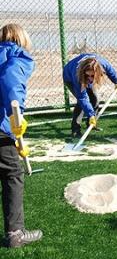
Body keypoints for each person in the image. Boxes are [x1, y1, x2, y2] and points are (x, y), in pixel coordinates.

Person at [0, 23, 43, 247]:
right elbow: (10, 81)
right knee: (12, 175)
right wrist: (17, 117)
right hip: (1, 126)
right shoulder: (18, 56)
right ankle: (16, 233)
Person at [63, 53, 117, 138]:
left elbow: (111, 71)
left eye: (93, 76)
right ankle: (75, 129)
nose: (90, 79)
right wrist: (90, 114)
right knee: (81, 104)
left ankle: (91, 124)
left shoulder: (102, 64)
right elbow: (83, 98)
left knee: (94, 99)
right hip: (69, 77)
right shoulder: (77, 75)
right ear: (84, 73)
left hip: (84, 74)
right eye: (88, 76)